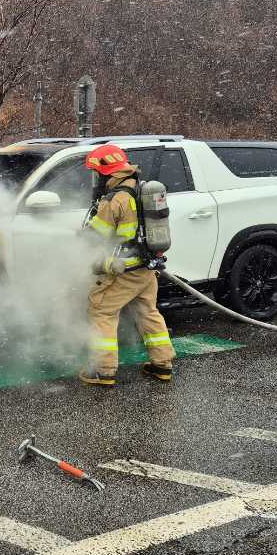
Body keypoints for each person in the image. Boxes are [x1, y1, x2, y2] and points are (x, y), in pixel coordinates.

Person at [80, 144, 175, 387]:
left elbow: (96, 236)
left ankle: (103, 371)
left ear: (106, 172)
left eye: (96, 174)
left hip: (123, 270)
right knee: (148, 313)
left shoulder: (115, 199)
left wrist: (81, 235)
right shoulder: (140, 188)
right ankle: (162, 364)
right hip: (145, 268)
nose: (96, 180)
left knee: (102, 313)